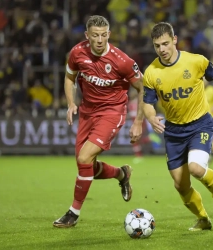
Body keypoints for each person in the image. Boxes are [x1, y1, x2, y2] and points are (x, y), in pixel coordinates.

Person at [142, 22, 213, 231]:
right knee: (180, 185)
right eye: (157, 45)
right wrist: (151, 117)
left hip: (200, 125)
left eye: (165, 43)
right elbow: (147, 103)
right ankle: (203, 219)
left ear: (175, 40)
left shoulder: (196, 61)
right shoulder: (151, 72)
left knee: (196, 168)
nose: (162, 49)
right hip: (173, 131)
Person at [53, 15, 144, 228]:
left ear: (109, 35)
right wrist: (70, 103)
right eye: (95, 35)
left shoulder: (122, 61)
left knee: (84, 158)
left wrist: (138, 121)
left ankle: (72, 214)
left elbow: (142, 88)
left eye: (104, 35)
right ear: (87, 36)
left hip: (112, 113)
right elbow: (69, 77)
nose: (100, 40)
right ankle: (122, 174)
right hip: (87, 112)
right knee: (86, 166)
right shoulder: (77, 53)